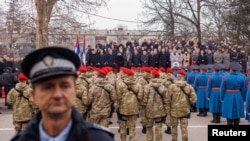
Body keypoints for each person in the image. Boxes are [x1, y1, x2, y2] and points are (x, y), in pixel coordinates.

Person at [10, 46, 114, 141]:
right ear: (33, 95)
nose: (57, 94)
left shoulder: (100, 139)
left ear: (75, 90)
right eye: (47, 87)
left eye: (65, 86)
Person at [166, 69, 197, 141]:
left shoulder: (172, 87)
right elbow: (194, 98)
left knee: (174, 127)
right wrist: (188, 103)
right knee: (184, 128)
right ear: (184, 76)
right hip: (185, 110)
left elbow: (167, 99)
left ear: (177, 76)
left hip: (174, 111)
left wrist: (168, 109)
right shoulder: (189, 87)